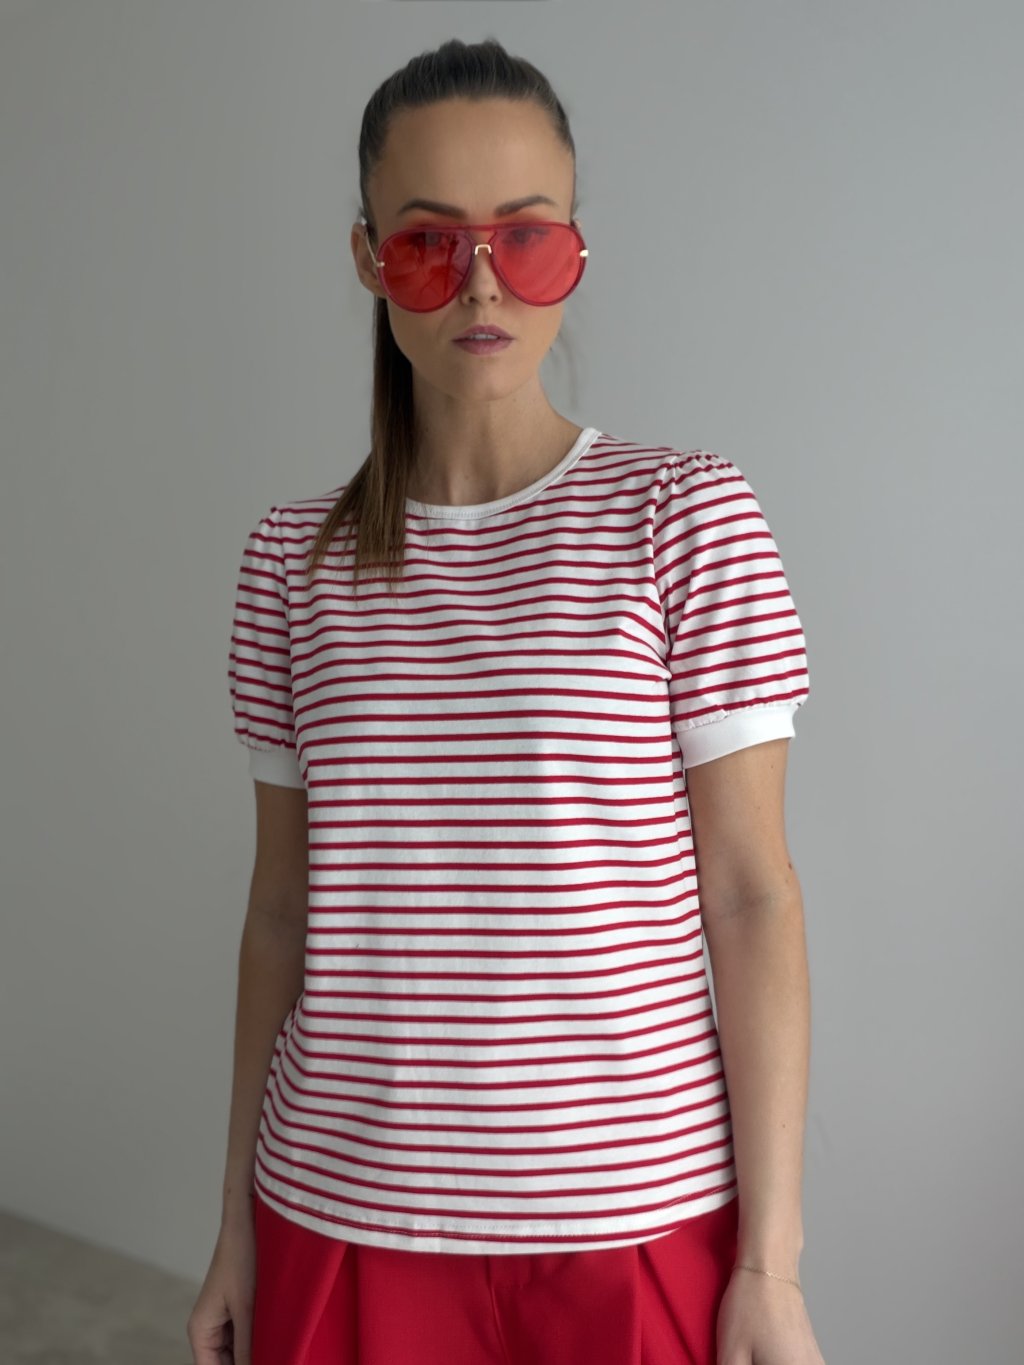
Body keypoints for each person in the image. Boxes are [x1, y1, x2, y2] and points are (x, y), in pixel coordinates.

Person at [188, 35, 826, 1365]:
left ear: (576, 247)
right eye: (429, 241)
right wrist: (232, 1223)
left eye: (525, 237)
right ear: (367, 257)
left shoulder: (684, 517)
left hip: (632, 1218)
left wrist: (769, 1263)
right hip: (341, 1209)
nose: (482, 280)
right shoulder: (290, 561)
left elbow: (751, 896)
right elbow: (277, 913)